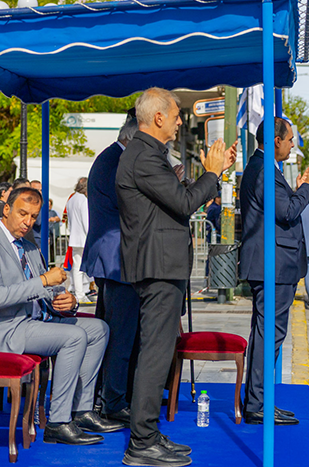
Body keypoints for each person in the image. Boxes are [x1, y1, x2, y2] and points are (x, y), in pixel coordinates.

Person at [117, 87, 236, 467]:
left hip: (161, 264)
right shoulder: (144, 156)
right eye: (176, 114)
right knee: (155, 354)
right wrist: (212, 173)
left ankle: (147, 433)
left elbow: (173, 203)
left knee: (158, 350)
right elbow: (185, 204)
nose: (180, 121)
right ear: (157, 118)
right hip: (157, 266)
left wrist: (210, 174)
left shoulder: (148, 154)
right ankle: (141, 442)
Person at [0, 187, 120, 446]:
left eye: (33, 216)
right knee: (74, 336)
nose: (28, 222)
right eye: (22, 214)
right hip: (8, 328)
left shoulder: (28, 245)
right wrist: (43, 280)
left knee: (99, 329)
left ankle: (81, 410)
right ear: (6, 209)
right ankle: (58, 422)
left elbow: (45, 289)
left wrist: (67, 300)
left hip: (36, 320)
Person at [240, 118, 309, 427]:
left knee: (269, 335)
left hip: (276, 264)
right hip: (271, 265)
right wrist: (308, 188)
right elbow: (287, 210)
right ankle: (258, 404)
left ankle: (260, 400)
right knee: (268, 336)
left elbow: (283, 205)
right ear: (276, 140)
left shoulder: (267, 169)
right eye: (290, 140)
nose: (293, 145)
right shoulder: (263, 170)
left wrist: (301, 185)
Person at [81, 116, 141, 425]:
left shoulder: (110, 157)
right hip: (118, 259)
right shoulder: (116, 162)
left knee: (111, 331)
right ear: (132, 141)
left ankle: (108, 395)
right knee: (121, 334)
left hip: (112, 257)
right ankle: (114, 400)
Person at [66, 177, 90, 302]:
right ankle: (82, 294)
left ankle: (79, 293)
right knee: (83, 269)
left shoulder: (71, 199)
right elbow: (86, 222)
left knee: (76, 268)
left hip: (74, 237)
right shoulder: (83, 201)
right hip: (84, 238)